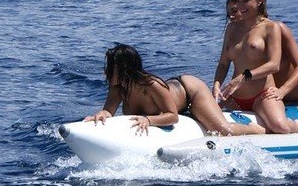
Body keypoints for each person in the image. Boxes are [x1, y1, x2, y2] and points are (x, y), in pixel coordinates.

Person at [84, 44, 263, 137]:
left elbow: (172, 116)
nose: (106, 72)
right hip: (176, 97)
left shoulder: (151, 85)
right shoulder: (118, 88)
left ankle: (255, 129)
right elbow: (109, 110)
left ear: (125, 70)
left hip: (191, 91)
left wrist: (148, 119)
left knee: (224, 132)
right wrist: (101, 115)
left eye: (111, 68)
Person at [213, 0, 298, 134]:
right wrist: (217, 84)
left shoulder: (271, 27)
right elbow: (223, 63)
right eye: (238, 1)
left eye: (245, 1)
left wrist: (243, 77)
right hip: (234, 96)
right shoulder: (231, 29)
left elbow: (274, 64)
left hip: (262, 95)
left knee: (280, 127)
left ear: (259, 0)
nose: (240, 6)